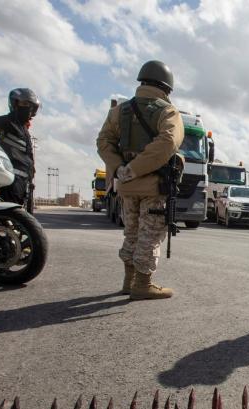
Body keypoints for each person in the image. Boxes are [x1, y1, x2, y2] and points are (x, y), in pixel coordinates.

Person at [97, 60, 185, 300]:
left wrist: (121, 169)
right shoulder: (168, 112)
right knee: (150, 235)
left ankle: (129, 281)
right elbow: (168, 142)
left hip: (126, 186)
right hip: (153, 185)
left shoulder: (120, 111)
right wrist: (137, 168)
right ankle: (142, 284)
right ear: (167, 87)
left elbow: (103, 141)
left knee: (132, 233)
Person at [0, 88, 40, 208]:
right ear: (15, 103)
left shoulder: (25, 131)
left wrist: (30, 179)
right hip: (7, 180)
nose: (29, 110)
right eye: (26, 104)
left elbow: (28, 157)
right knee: (5, 213)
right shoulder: (0, 122)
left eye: (32, 107)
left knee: (19, 216)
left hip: (24, 184)